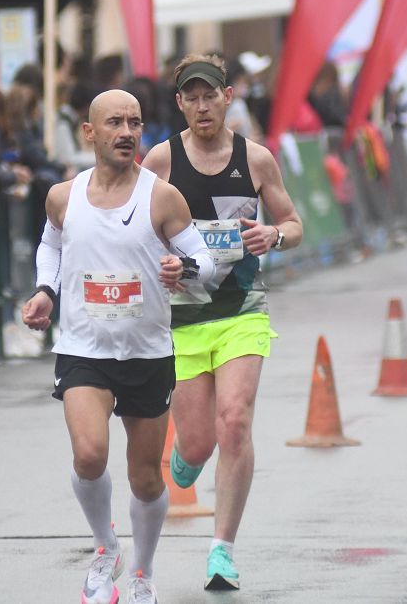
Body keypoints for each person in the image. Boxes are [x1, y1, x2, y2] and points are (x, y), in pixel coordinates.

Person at [20, 89, 215, 604]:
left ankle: (143, 573)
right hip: (85, 347)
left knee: (146, 478)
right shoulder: (64, 196)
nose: (127, 132)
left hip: (147, 351)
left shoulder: (161, 197)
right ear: (90, 132)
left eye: (134, 122)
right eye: (114, 123)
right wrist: (46, 290)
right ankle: (106, 550)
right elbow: (51, 244)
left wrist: (185, 268)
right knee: (88, 454)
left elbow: (204, 264)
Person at [141, 54, 303, 591]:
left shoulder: (256, 160)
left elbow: (294, 223)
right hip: (185, 317)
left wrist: (273, 236)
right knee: (195, 444)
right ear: (181, 103)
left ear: (228, 97)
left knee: (233, 422)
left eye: (211, 95)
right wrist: (157, 262)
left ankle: (221, 550)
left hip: (241, 311)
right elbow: (133, 226)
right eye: (192, 97)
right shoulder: (160, 162)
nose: (203, 105)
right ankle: (190, 459)